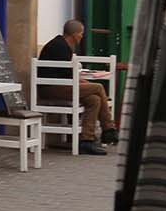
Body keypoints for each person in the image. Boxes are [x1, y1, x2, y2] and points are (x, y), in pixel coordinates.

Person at [38, 19, 116, 155]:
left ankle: (87, 140)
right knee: (98, 87)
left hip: (62, 86)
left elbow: (67, 74)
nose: (82, 36)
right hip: (51, 88)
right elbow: (67, 75)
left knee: (94, 100)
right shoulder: (60, 46)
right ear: (74, 34)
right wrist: (84, 81)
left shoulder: (62, 44)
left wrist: (82, 81)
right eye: (81, 33)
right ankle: (108, 129)